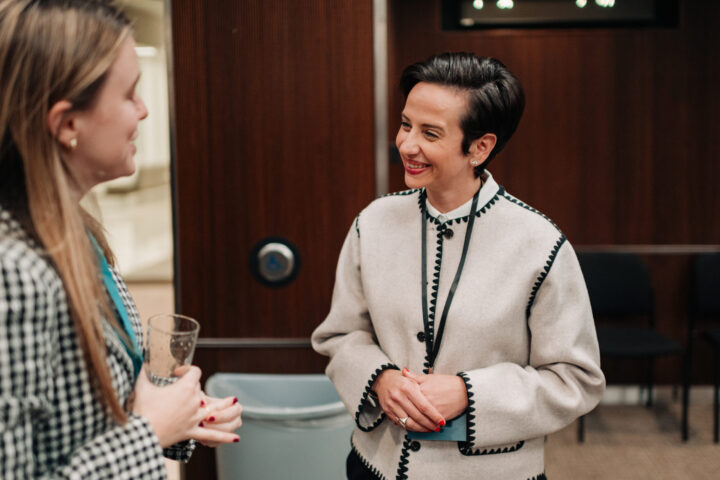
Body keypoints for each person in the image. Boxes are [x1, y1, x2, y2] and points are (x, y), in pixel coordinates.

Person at [312, 52, 605, 480]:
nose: (407, 145)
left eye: (430, 133)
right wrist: (380, 379)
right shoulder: (373, 223)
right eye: (405, 124)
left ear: (480, 147)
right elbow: (341, 334)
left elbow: (575, 379)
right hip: (376, 466)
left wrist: (469, 392)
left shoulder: (539, 243)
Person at [0, 1, 241, 478]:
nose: (144, 111)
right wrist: (151, 431)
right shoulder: (13, 272)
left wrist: (178, 415)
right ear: (67, 124)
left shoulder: (75, 231)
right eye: (130, 94)